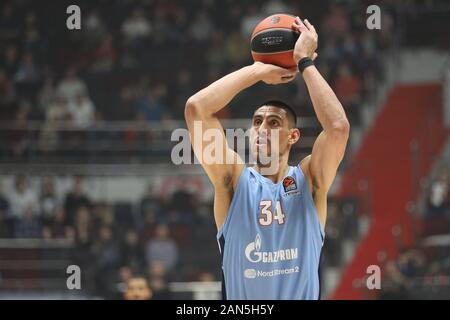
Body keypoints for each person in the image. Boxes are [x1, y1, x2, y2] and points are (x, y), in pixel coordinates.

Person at [184, 17, 349, 300]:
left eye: (273, 123)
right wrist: (257, 70)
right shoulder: (234, 180)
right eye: (257, 122)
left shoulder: (309, 179)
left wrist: (304, 63)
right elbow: (196, 108)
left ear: (293, 136)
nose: (261, 128)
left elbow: (337, 127)